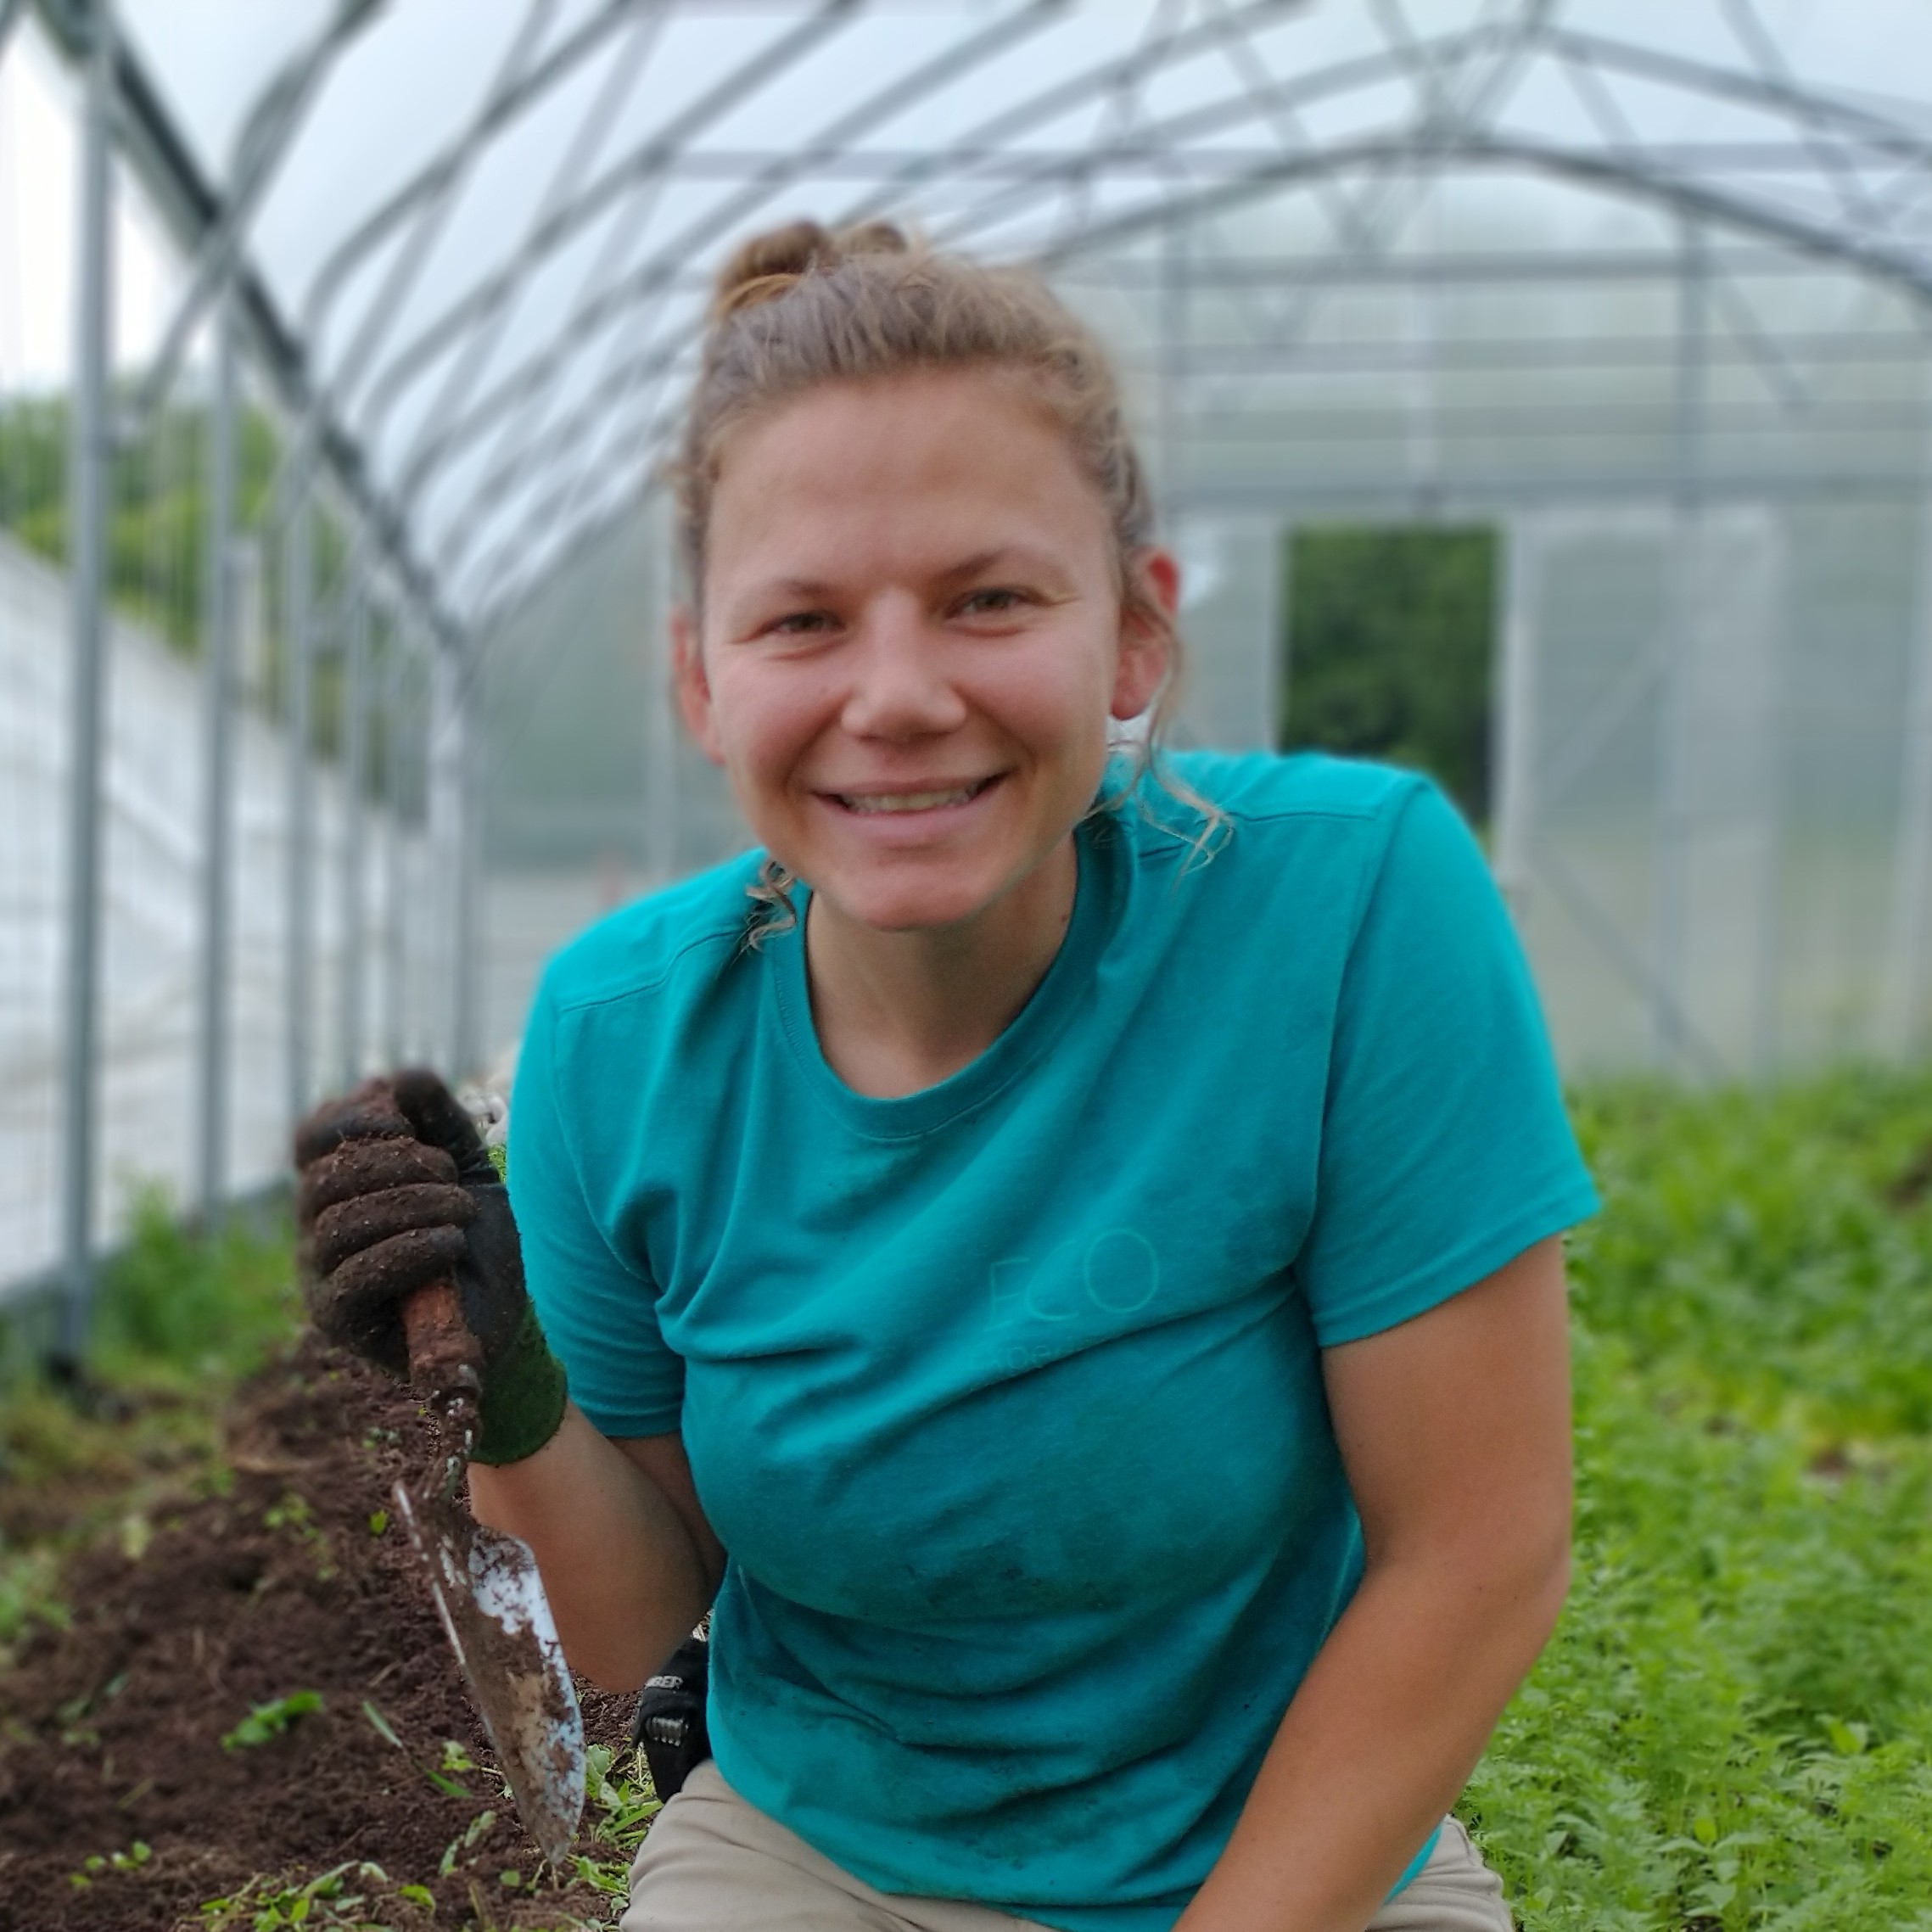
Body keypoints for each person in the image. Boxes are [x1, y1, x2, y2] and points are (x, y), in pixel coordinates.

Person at [294, 220, 1597, 1932]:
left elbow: (1471, 1550)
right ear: (702, 678)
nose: (896, 696)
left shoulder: (1343, 905)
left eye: (987, 598)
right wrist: (514, 1383)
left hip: (1285, 1850)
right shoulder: (623, 1026)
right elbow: (624, 1626)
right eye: (802, 621)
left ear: (1132, 636)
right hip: (819, 1851)